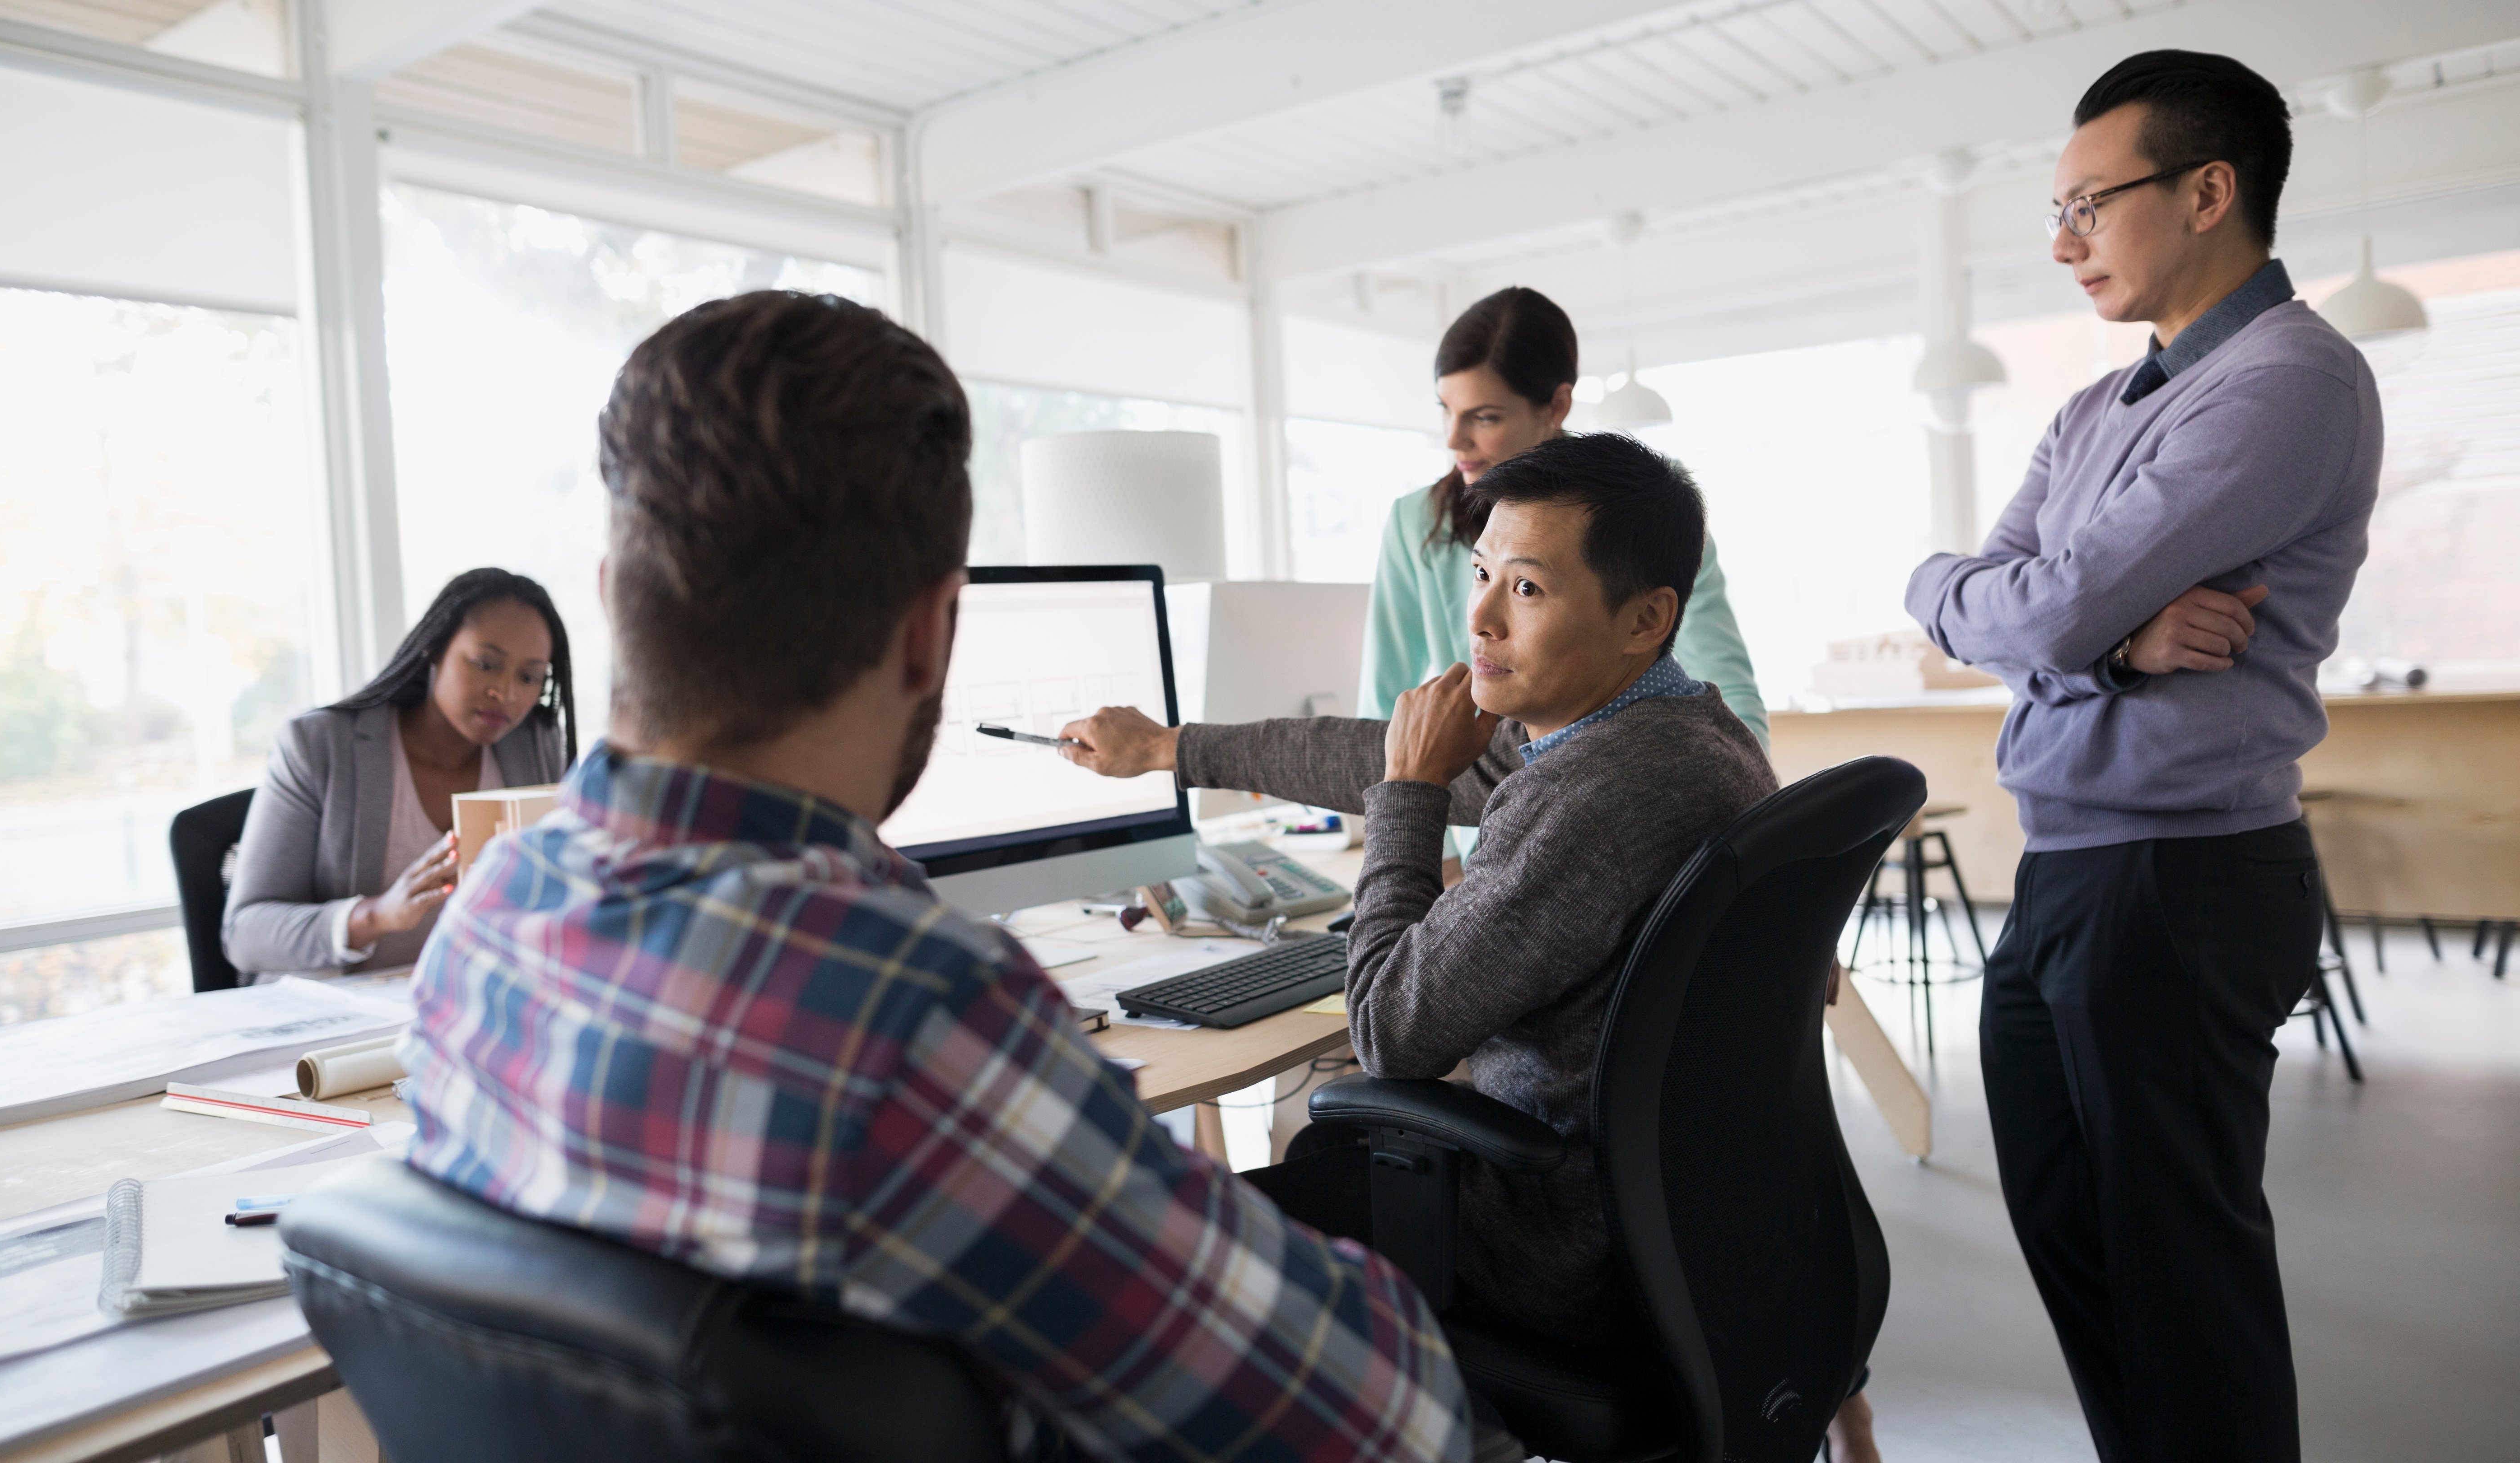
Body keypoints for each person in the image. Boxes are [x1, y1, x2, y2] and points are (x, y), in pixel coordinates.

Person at [396, 291, 1472, 1462]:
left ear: (610, 593)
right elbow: (1388, 1420)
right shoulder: (909, 1011)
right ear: (933, 634)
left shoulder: (486, 920)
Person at [1067, 433, 1882, 1463]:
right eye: (1480, 573)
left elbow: (1388, 1030)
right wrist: (1169, 747)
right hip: (1690, 1225)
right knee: (1324, 1155)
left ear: (1645, 615)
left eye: (1527, 587)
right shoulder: (1676, 725)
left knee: (1176, 1251)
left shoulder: (1597, 793)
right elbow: (1387, 745)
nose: (1480, 617)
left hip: (1550, 1246)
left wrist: (1406, 803)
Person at [1904, 50, 2380, 1463]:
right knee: (2074, 1238)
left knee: (2181, 1274)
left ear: (2207, 192)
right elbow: (1969, 597)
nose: (2064, 244)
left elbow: (2027, 603)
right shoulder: (2095, 409)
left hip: (2185, 878)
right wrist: (2107, 644)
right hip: (2063, 871)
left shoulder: (2290, 381)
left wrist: (2042, 616)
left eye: (2088, 206)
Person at [1361, 286, 1768, 749]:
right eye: (1446, 411)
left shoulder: (1644, 506)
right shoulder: (1416, 520)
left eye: (1486, 417)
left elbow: (1726, 682)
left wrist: (1746, 803)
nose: (1454, 440)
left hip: (1613, 790)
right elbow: (1382, 705)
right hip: (1474, 809)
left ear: (1556, 406)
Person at [224, 568, 573, 979]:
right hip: (337, 1019)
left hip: (470, 1007)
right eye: (485, 664)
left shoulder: (536, 747)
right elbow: (244, 934)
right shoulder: (320, 745)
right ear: (435, 649)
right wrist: (376, 916)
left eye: (530, 676)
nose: (507, 693)